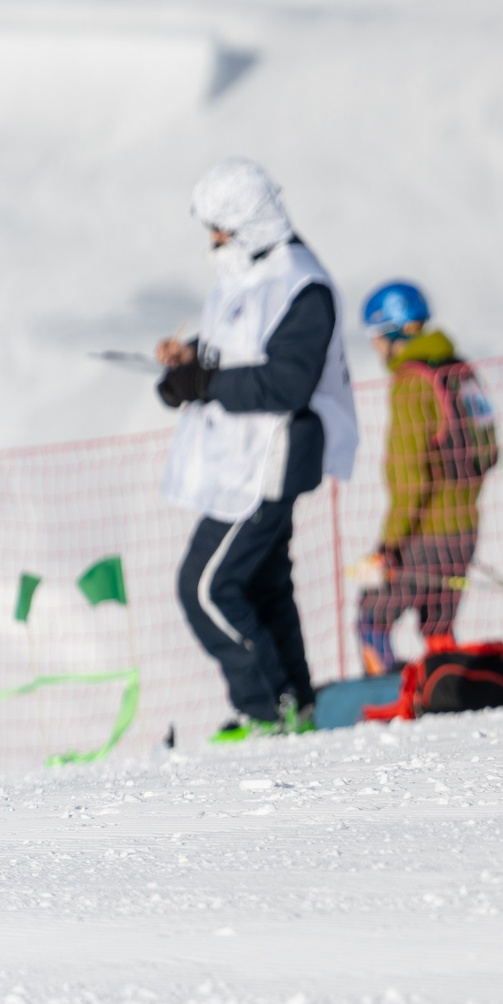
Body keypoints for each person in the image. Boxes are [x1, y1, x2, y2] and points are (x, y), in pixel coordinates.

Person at [154, 159, 358, 740]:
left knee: (206, 588)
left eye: (221, 228)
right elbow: (232, 347)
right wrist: (188, 363)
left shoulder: (302, 285)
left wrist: (208, 384)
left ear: (250, 223)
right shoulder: (246, 275)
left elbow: (287, 382)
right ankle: (294, 701)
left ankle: (264, 711)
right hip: (238, 459)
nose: (214, 240)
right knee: (263, 584)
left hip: (270, 462)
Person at [353, 281, 497, 674]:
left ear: (392, 334)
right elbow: (489, 449)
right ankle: (445, 694)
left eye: (376, 338)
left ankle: (384, 704)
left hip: (425, 533)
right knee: (438, 628)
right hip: (465, 532)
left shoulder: (411, 382)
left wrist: (388, 546)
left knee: (371, 618)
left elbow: (409, 479)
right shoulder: (461, 370)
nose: (376, 349)